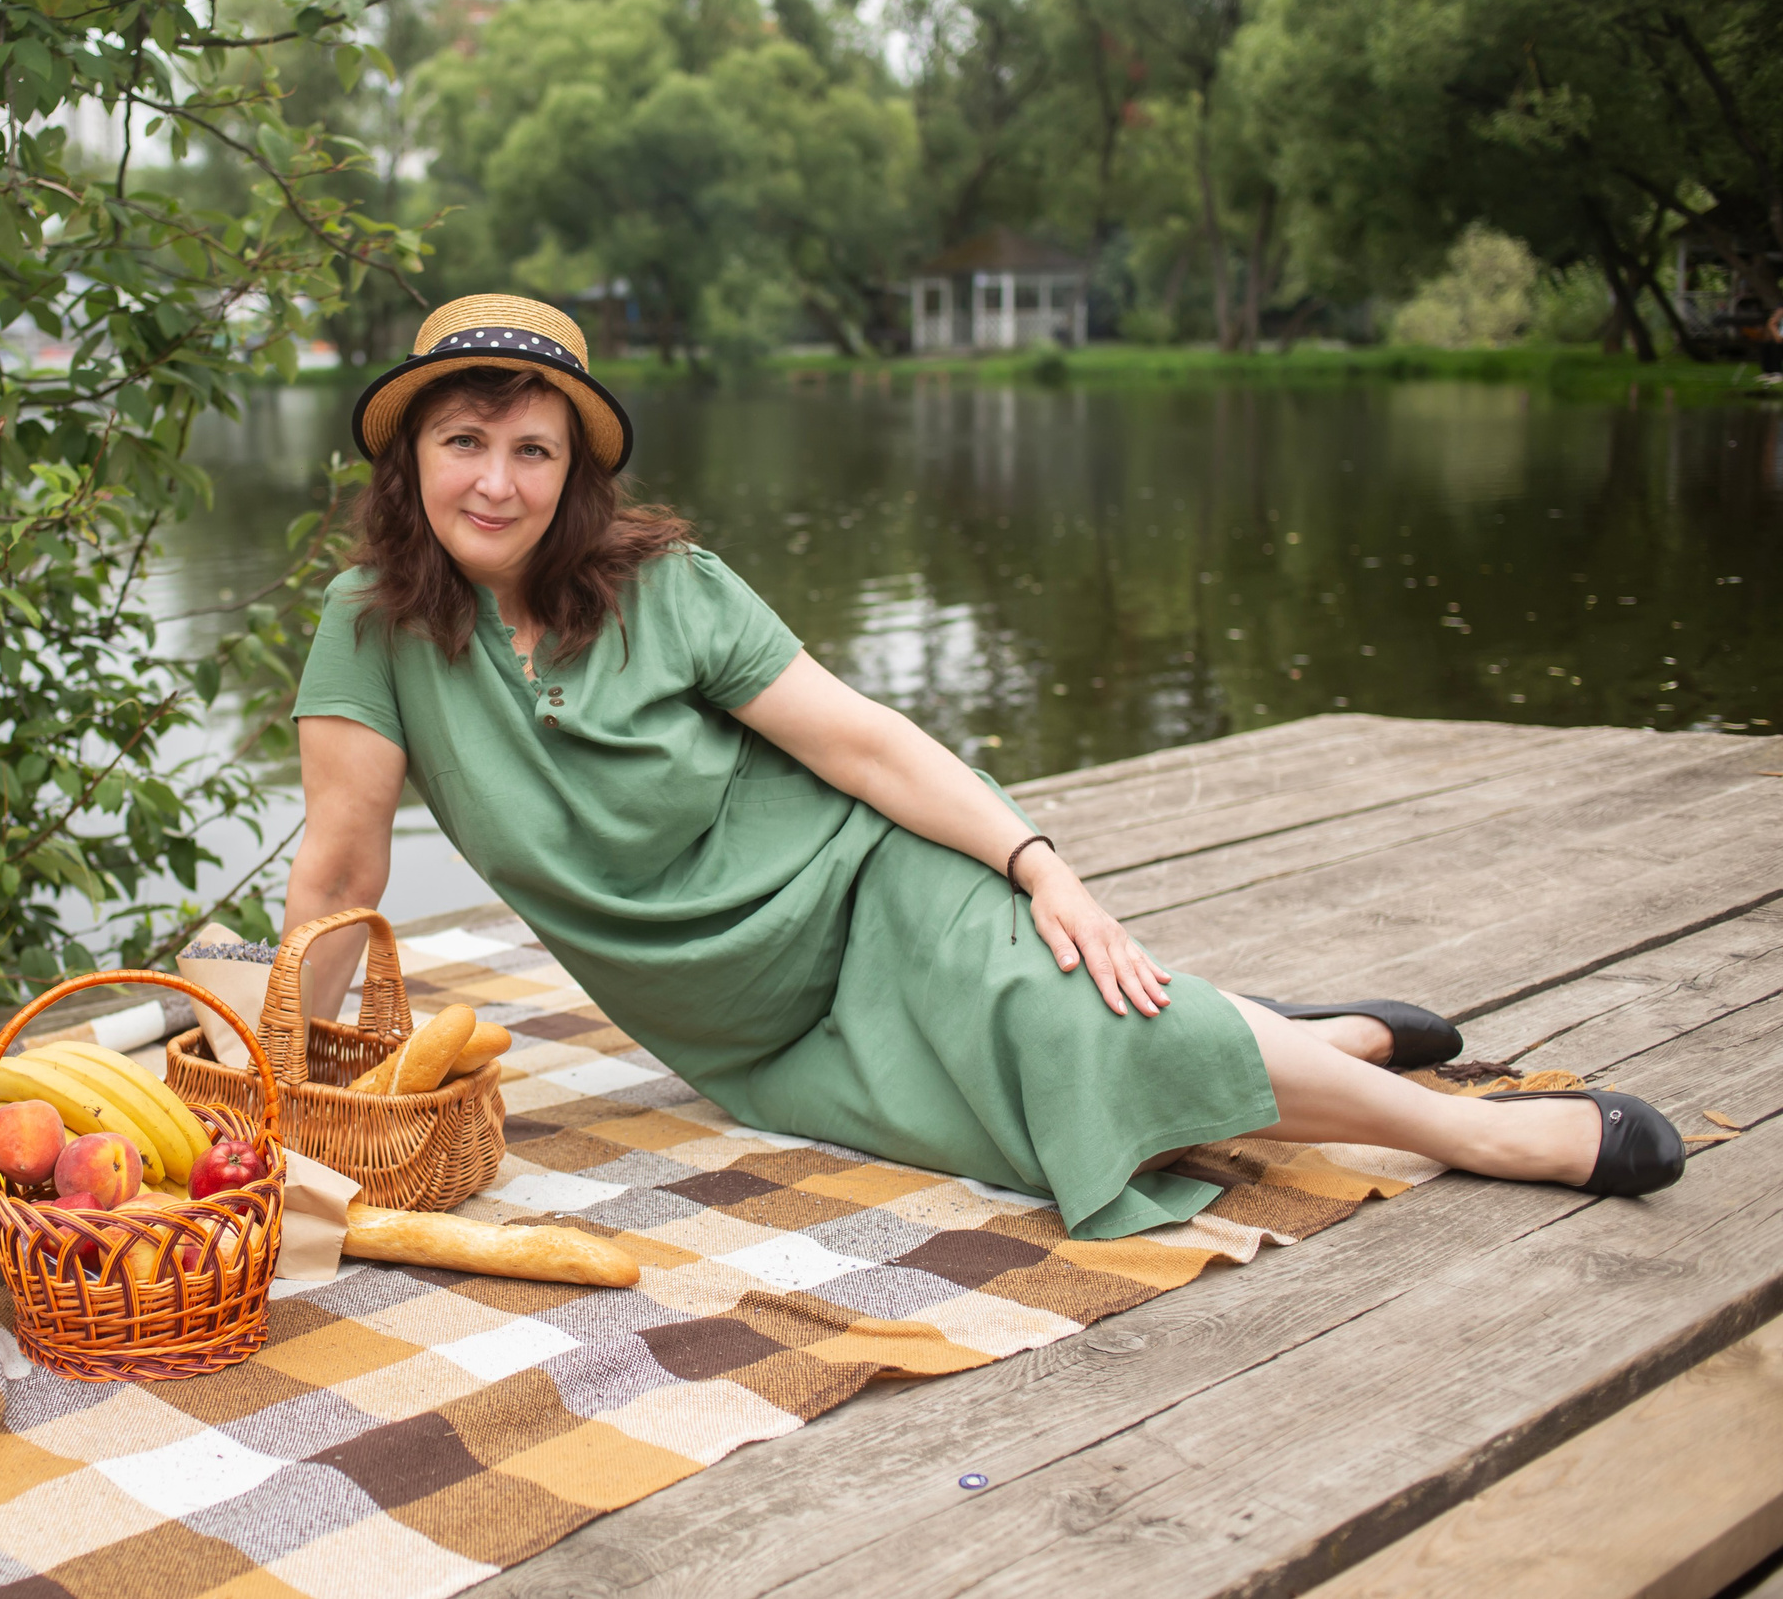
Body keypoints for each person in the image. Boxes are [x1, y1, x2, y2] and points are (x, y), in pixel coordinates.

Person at [281, 294, 1684, 1241]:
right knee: (1036, 1124)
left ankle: (1477, 1134)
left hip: (865, 886)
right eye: (464, 441)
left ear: (571, 474)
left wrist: (1037, 864)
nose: (497, 481)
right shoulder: (375, 630)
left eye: (532, 448)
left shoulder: (671, 587)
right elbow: (343, 870)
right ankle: (1311, 1039)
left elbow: (864, 742)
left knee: (1089, 1026)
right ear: (408, 460)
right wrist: (281, 1091)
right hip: (745, 1031)